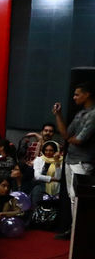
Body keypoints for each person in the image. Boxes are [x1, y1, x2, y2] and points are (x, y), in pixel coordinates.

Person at [52, 84, 95, 238]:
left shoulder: (93, 114)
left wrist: (70, 139)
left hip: (83, 161)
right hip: (71, 159)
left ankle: (80, 233)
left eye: (77, 94)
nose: (74, 97)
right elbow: (66, 134)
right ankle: (74, 229)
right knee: (72, 197)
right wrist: (58, 115)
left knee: (79, 198)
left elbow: (80, 140)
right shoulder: (80, 113)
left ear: (87, 94)